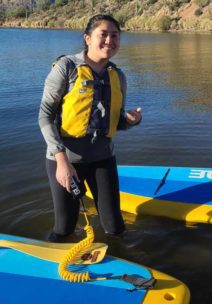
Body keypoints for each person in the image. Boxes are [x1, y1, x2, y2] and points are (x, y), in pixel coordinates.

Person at [39, 14, 142, 242]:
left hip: (103, 158)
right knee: (64, 228)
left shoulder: (119, 76)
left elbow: (116, 123)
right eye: (103, 35)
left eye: (114, 35)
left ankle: (117, 268)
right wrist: (62, 162)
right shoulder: (66, 68)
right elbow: (45, 117)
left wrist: (131, 121)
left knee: (115, 227)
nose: (109, 41)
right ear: (87, 38)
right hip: (66, 160)